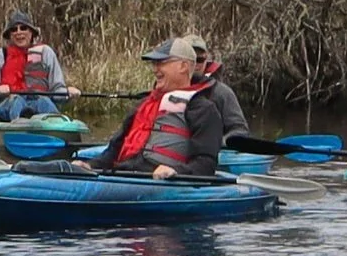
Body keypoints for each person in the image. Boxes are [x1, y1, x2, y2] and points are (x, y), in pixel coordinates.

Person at [81, 33, 246, 179]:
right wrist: (91, 165)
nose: (155, 69)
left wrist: (177, 171)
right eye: (154, 63)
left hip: (158, 181)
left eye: (161, 62)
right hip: (124, 175)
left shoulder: (203, 109)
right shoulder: (143, 105)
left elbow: (205, 165)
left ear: (183, 66)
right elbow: (113, 150)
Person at [0, 15, 69, 122]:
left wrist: (67, 93)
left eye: (23, 28)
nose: (19, 32)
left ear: (31, 32)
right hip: (6, 106)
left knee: (44, 101)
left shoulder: (46, 53)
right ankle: (19, 124)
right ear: (10, 35)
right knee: (17, 101)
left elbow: (58, 89)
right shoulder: (0, 56)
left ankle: (53, 126)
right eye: (14, 29)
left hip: (38, 102)